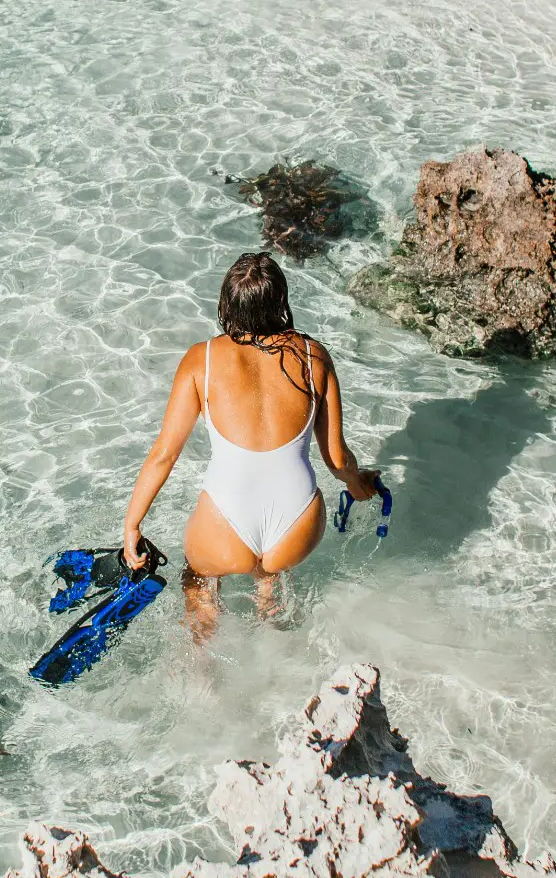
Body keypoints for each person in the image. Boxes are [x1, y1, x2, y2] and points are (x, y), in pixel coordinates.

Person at [122, 251, 380, 640]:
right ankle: (268, 589)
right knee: (271, 567)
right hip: (297, 527)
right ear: (281, 301)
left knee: (198, 577)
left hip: (224, 527)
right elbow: (337, 458)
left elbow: (164, 454)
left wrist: (132, 525)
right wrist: (358, 485)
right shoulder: (313, 356)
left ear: (226, 303)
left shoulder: (201, 359)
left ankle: (202, 675)